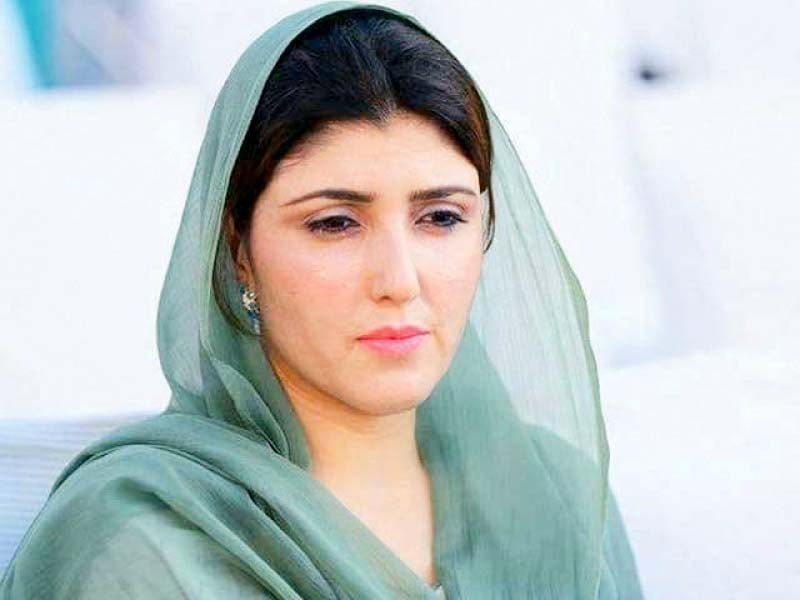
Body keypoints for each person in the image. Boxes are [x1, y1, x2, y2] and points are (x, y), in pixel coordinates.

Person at [0, 2, 644, 598]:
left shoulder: (553, 496)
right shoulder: (145, 539)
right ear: (238, 249)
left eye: (441, 217)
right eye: (335, 223)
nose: (400, 279)